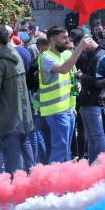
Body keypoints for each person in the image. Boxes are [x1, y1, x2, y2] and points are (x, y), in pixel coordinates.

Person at [0, 24, 34, 176]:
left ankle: (2, 183)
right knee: (17, 147)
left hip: (5, 113)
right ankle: (22, 181)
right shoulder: (17, 55)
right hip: (20, 112)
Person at [38, 26, 92, 163]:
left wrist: (76, 85)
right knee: (59, 149)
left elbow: (68, 77)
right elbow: (63, 69)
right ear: (53, 40)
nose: (68, 41)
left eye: (68, 37)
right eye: (64, 38)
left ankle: (61, 180)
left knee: (65, 150)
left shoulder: (62, 56)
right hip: (56, 111)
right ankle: (52, 182)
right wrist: (79, 48)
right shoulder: (47, 57)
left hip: (67, 110)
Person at [75, 32, 105, 163]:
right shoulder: (93, 55)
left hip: (93, 100)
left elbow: (98, 82)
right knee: (91, 136)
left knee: (97, 136)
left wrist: (81, 76)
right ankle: (94, 164)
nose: (80, 51)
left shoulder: (99, 56)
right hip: (88, 100)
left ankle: (100, 164)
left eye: (81, 47)